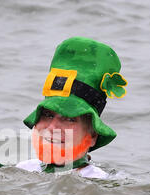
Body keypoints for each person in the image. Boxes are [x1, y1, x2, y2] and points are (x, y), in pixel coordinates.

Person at [16, 36, 127, 178]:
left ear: (93, 135)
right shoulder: (23, 169)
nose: (51, 128)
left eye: (69, 119)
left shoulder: (98, 181)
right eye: (48, 115)